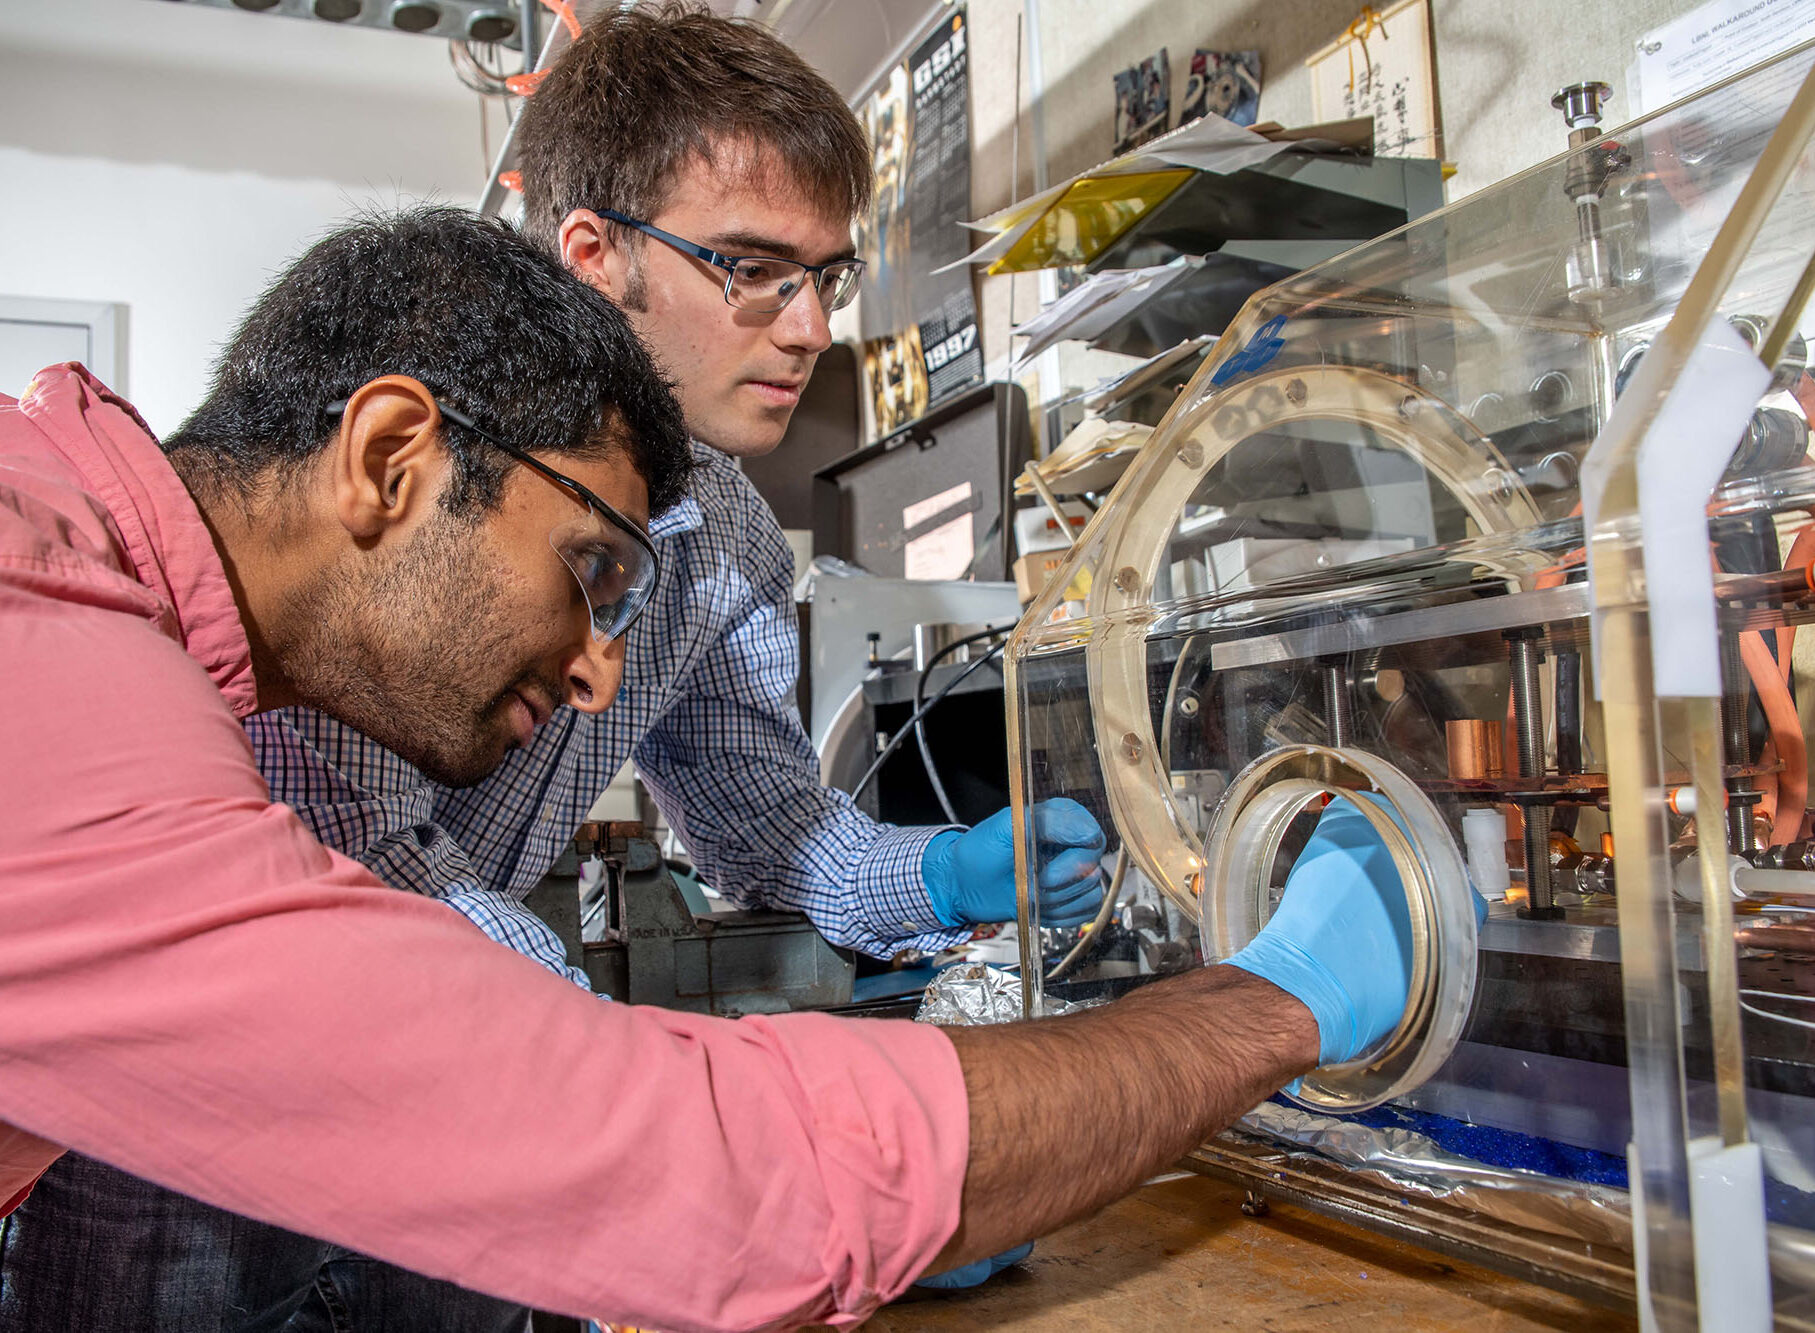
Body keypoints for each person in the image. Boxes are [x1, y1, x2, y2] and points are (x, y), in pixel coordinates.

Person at [0, 205, 1421, 1331]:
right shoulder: (59, 672)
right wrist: (1268, 1004)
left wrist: (932, 871)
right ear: (389, 457)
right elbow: (644, 1145)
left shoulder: (95, 558)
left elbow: (771, 830)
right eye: (589, 570)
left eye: (826, 271)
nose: (598, 669)